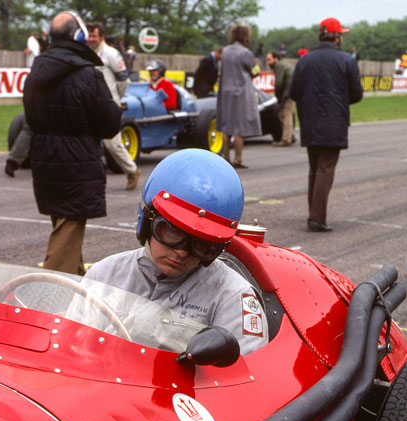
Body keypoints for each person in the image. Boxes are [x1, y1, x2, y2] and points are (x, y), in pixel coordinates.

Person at [85, 149, 268, 356]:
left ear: (217, 248)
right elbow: (71, 348)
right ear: (147, 221)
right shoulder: (104, 275)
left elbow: (244, 376)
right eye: (172, 232)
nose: (181, 252)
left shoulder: (233, 296)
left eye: (202, 244)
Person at [23, 10, 121, 275]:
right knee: (66, 235)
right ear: (78, 35)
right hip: (77, 161)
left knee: (65, 229)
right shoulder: (88, 74)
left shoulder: (34, 74)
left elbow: (29, 120)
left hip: (45, 160)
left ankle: (78, 285)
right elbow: (110, 125)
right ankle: (48, 302)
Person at [289, 16, 363, 232]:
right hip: (334, 121)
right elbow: (357, 94)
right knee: (325, 168)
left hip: (310, 120)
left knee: (315, 168)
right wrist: (339, 99)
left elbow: (293, 92)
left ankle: (314, 214)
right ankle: (317, 218)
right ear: (337, 37)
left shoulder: (304, 60)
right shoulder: (347, 60)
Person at [87, 21, 141, 191]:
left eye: (94, 35)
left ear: (102, 36)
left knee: (112, 144)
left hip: (109, 106)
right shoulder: (86, 53)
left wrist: (115, 98)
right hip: (90, 105)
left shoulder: (112, 54)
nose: (91, 39)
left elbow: (124, 81)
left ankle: (132, 171)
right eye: (89, 35)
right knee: (88, 143)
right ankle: (91, 180)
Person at [216, 23, 261, 169]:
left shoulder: (225, 51)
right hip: (241, 92)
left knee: (226, 126)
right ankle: (238, 159)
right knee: (239, 127)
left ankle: (226, 157)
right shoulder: (245, 52)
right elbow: (255, 71)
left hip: (225, 92)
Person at [266, 50, 295, 147]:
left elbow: (278, 84)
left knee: (286, 114)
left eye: (269, 60)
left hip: (289, 92)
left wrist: (278, 98)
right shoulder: (282, 65)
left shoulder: (278, 66)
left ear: (276, 59)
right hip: (290, 90)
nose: (268, 62)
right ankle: (291, 135)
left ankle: (286, 139)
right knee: (284, 113)